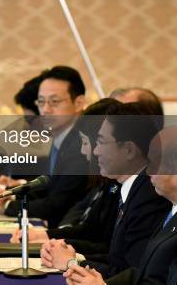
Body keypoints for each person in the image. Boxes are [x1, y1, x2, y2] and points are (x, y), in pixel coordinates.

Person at [40, 102, 170, 277]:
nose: (95, 151)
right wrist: (73, 257)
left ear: (129, 150)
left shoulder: (148, 194)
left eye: (101, 142)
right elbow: (116, 258)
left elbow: (130, 272)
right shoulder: (131, 188)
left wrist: (72, 262)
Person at [0, 66, 90, 228]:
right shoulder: (62, 139)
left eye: (54, 102)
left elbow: (58, 204)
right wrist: (9, 195)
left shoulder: (82, 145)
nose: (46, 110)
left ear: (78, 103)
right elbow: (48, 188)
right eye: (41, 102)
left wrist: (7, 206)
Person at [63, 125, 177, 284]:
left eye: (156, 162)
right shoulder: (172, 211)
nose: (149, 171)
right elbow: (141, 272)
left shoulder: (150, 199)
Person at [10, 98, 121, 253]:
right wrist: (47, 235)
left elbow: (105, 246)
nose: (84, 151)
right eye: (40, 103)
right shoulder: (108, 183)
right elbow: (88, 227)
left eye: (85, 143)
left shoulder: (116, 184)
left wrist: (58, 242)